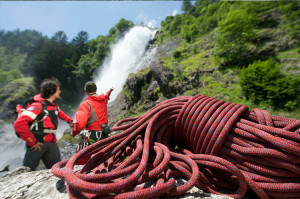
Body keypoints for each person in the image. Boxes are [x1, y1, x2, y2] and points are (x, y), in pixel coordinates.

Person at [13, 77, 74, 171]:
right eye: (58, 89)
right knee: (26, 172)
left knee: (58, 171)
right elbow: (19, 124)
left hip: (51, 143)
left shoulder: (53, 104)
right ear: (51, 91)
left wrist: (69, 121)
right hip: (38, 144)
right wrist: (32, 142)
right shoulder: (37, 106)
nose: (60, 91)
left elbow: (59, 112)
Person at [71, 81, 113, 158]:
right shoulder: (103, 100)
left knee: (89, 161)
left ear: (85, 91)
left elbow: (80, 124)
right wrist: (110, 91)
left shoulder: (86, 104)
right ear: (96, 90)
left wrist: (74, 133)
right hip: (105, 134)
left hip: (92, 137)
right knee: (103, 159)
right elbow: (106, 96)